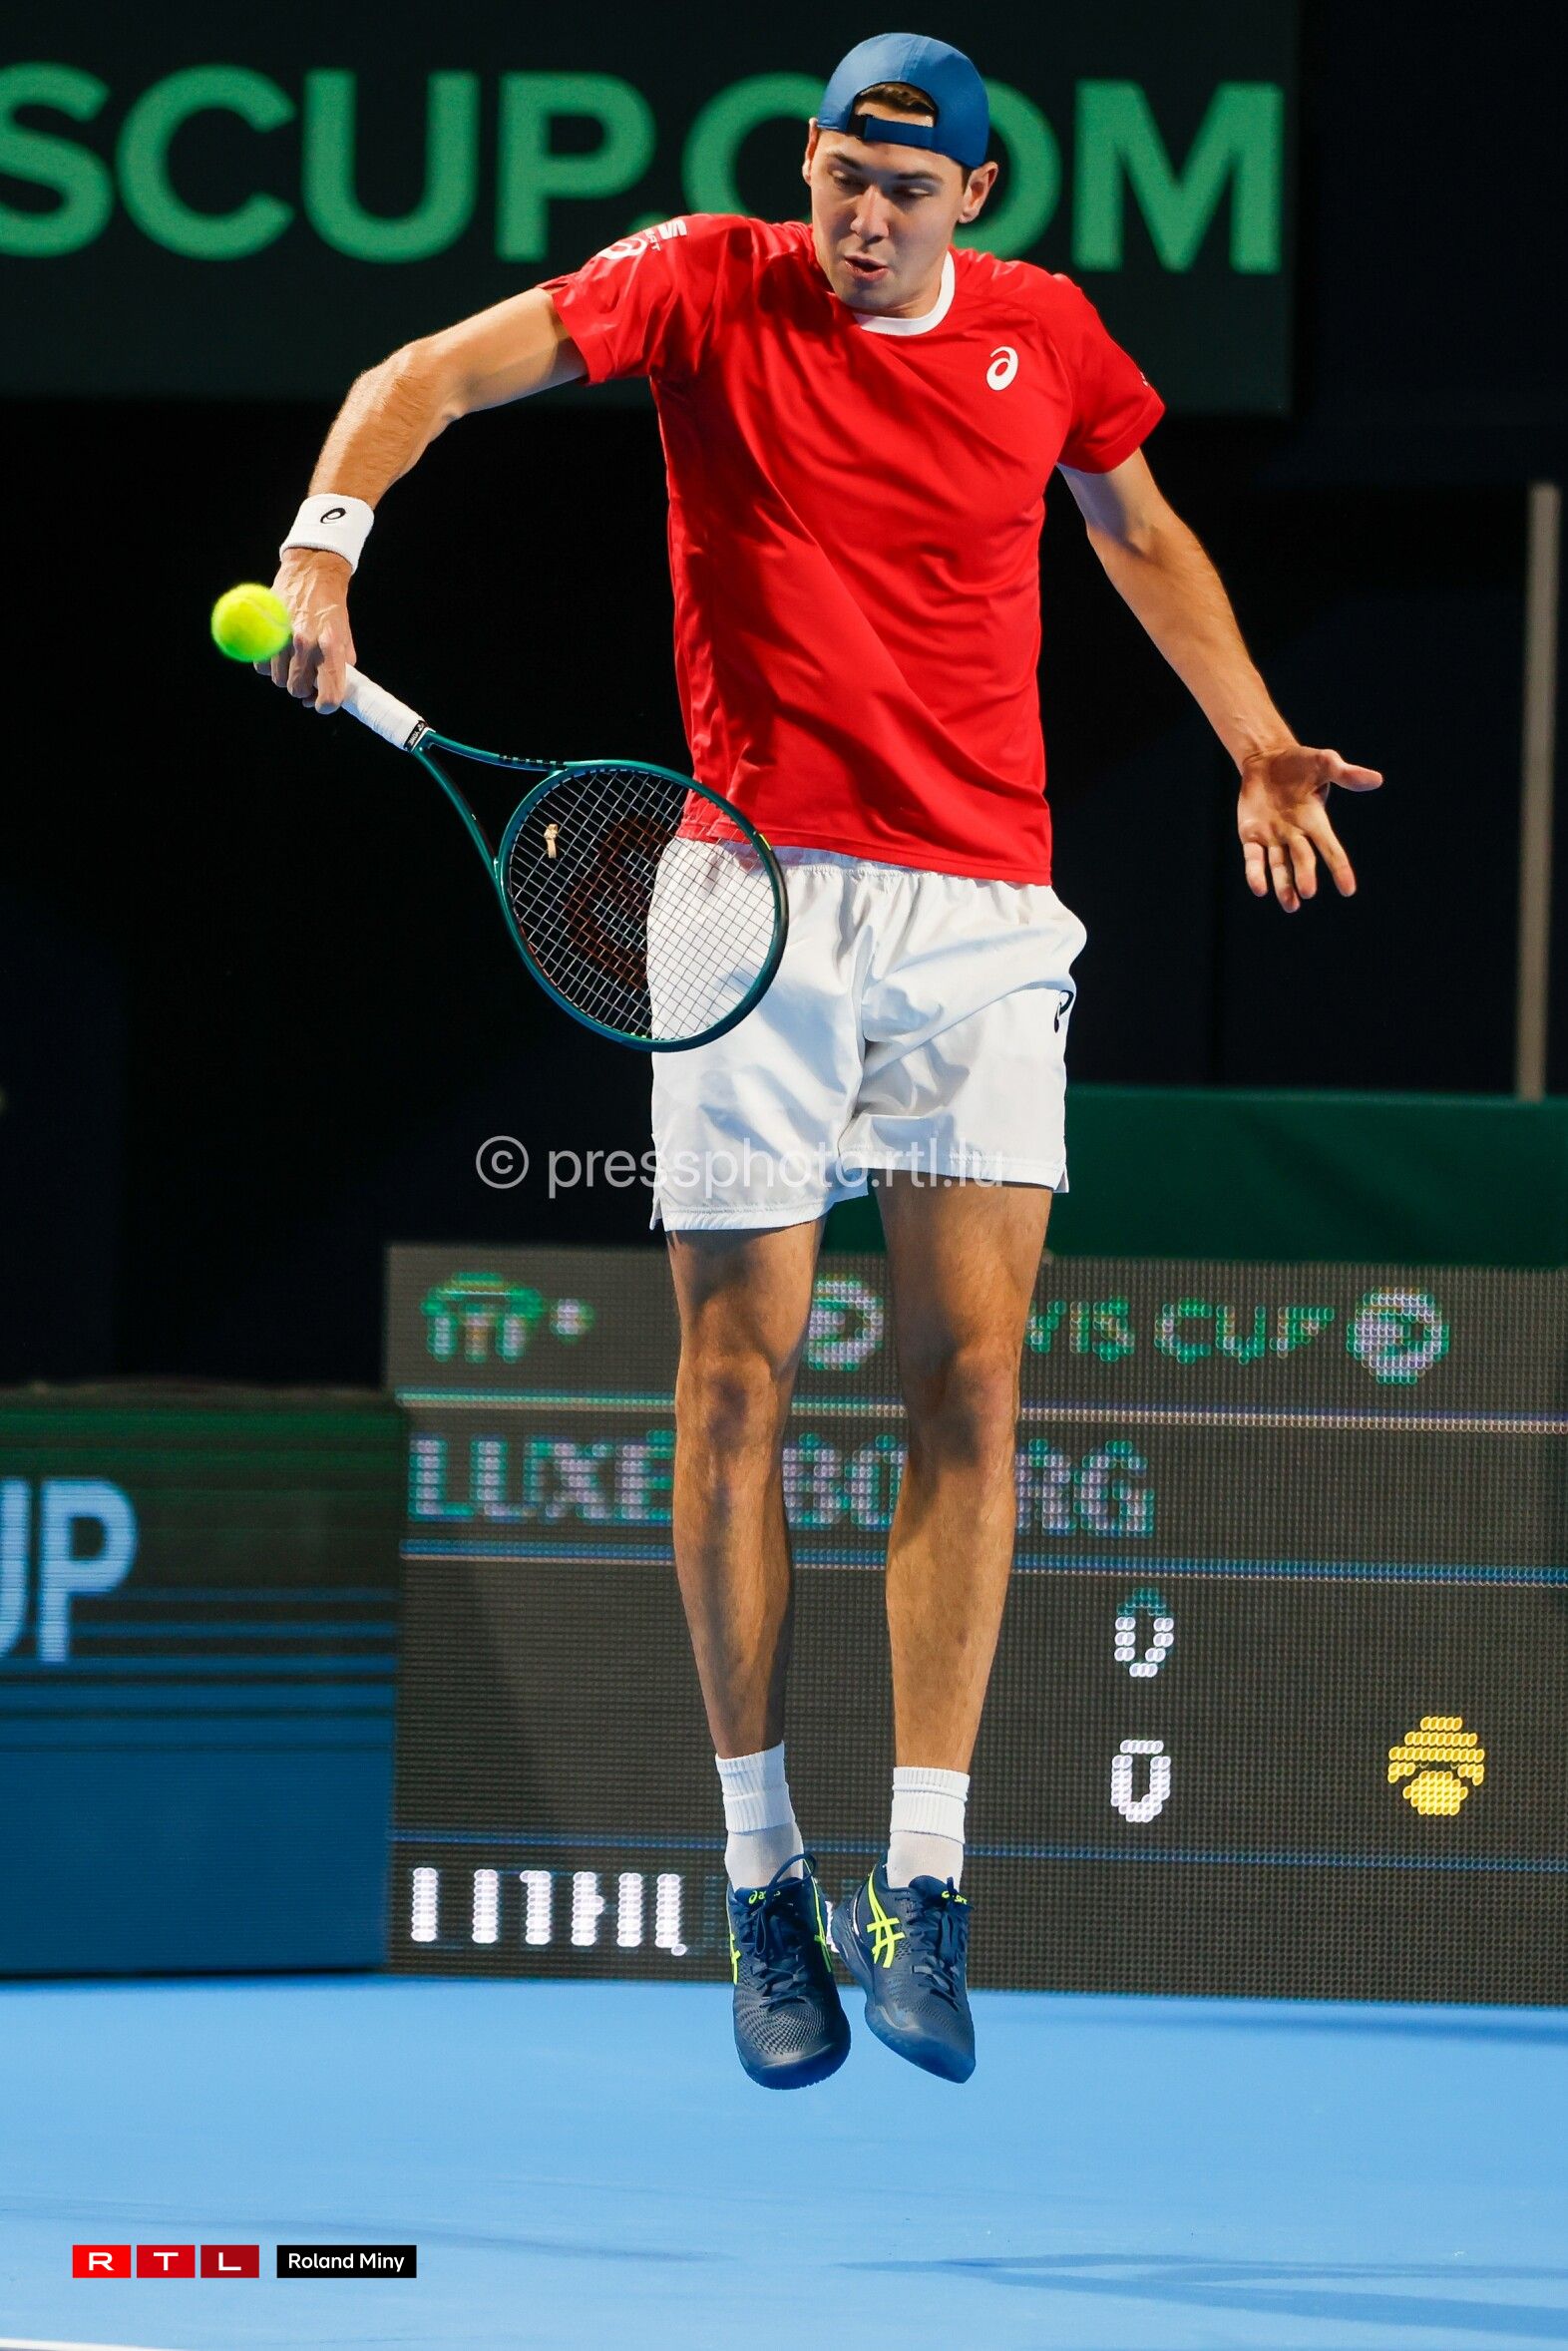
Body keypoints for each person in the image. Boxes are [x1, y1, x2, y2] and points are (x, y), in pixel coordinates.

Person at [264, 32, 1381, 2090]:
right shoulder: (701, 281)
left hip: (978, 919)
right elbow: (422, 376)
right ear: (807, 167)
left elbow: (1138, 532)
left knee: (973, 1381)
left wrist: (1252, 732)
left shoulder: (1047, 335)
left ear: (976, 197)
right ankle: (762, 1874)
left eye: (907, 190)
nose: (866, 220)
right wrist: (330, 535)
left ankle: (922, 1886)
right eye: (842, 180)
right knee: (732, 1386)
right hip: (745, 895)